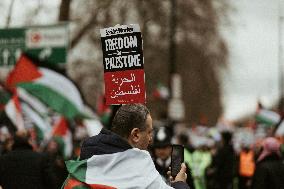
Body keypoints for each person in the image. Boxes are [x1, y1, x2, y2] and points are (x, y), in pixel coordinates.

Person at [63, 104, 190, 189]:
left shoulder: (82, 165)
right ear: (135, 135)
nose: (151, 139)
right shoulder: (140, 165)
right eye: (149, 132)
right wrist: (179, 182)